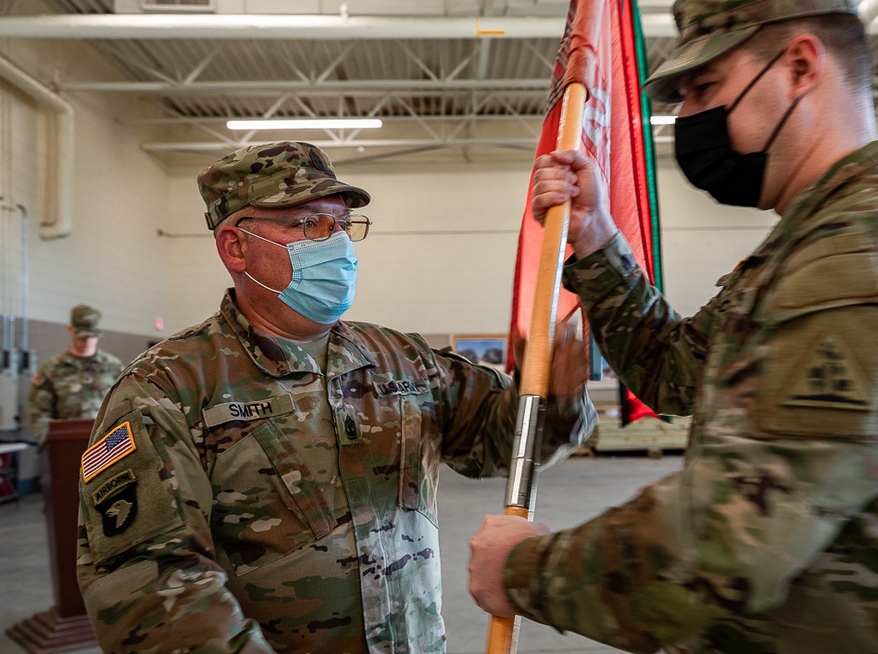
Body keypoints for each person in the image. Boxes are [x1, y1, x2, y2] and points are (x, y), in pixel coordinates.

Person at [467, 0, 878, 652]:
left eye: (705, 87)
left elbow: (736, 537)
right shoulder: (818, 241)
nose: (687, 115)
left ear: (802, 66)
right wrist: (596, 236)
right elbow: (675, 369)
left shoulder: (871, 250)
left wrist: (525, 571)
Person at [75, 141, 596, 654]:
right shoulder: (168, 386)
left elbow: (506, 444)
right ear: (235, 246)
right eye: (309, 226)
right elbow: (146, 584)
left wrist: (555, 395)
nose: (337, 243)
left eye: (343, 226)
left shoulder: (402, 358)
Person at [28, 304, 123, 441]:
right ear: (70, 329)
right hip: (66, 444)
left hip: (105, 444)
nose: (87, 341)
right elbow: (38, 412)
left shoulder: (114, 367)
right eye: (82, 337)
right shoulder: (52, 369)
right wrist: (50, 439)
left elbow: (124, 407)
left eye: (91, 336)